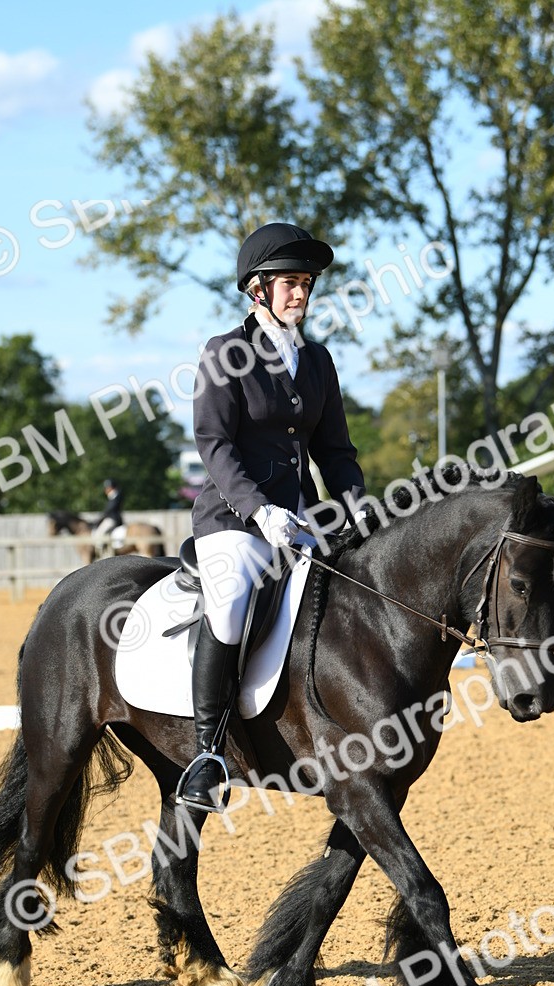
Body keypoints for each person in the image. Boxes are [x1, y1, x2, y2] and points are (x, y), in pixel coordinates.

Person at [179, 222, 366, 806]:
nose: (301, 295)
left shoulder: (317, 361)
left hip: (301, 520)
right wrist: (259, 511)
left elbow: (335, 450)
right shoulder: (224, 354)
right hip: (233, 521)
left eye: (306, 284)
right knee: (233, 602)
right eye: (289, 283)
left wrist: (358, 506)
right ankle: (208, 753)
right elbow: (214, 443)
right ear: (257, 289)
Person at [93, 479, 125, 549]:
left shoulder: (115, 495)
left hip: (112, 519)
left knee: (100, 533)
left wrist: (102, 517)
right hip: (111, 518)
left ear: (111, 488)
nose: (105, 490)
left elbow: (110, 509)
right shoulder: (113, 496)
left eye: (107, 488)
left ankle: (100, 551)